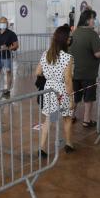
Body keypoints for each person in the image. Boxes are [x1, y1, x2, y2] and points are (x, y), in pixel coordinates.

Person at [36, 25, 75, 155]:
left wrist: (50, 75)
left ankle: (42, 148)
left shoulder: (46, 54)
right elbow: (68, 80)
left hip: (49, 90)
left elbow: (37, 72)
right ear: (64, 39)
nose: (70, 39)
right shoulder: (67, 57)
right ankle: (68, 144)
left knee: (49, 119)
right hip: (62, 91)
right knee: (67, 118)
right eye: (69, 37)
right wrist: (71, 99)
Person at [69, 9, 100, 128]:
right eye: (92, 19)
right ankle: (86, 120)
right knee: (88, 98)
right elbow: (98, 54)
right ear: (87, 20)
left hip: (74, 72)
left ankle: (71, 116)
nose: (94, 21)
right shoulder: (92, 34)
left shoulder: (74, 33)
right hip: (88, 73)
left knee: (75, 96)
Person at [0, 17, 19, 97]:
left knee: (8, 73)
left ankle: (7, 90)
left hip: (7, 57)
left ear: (7, 24)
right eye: (1, 23)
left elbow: (16, 46)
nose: (3, 24)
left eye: (5, 23)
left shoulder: (11, 34)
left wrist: (8, 48)